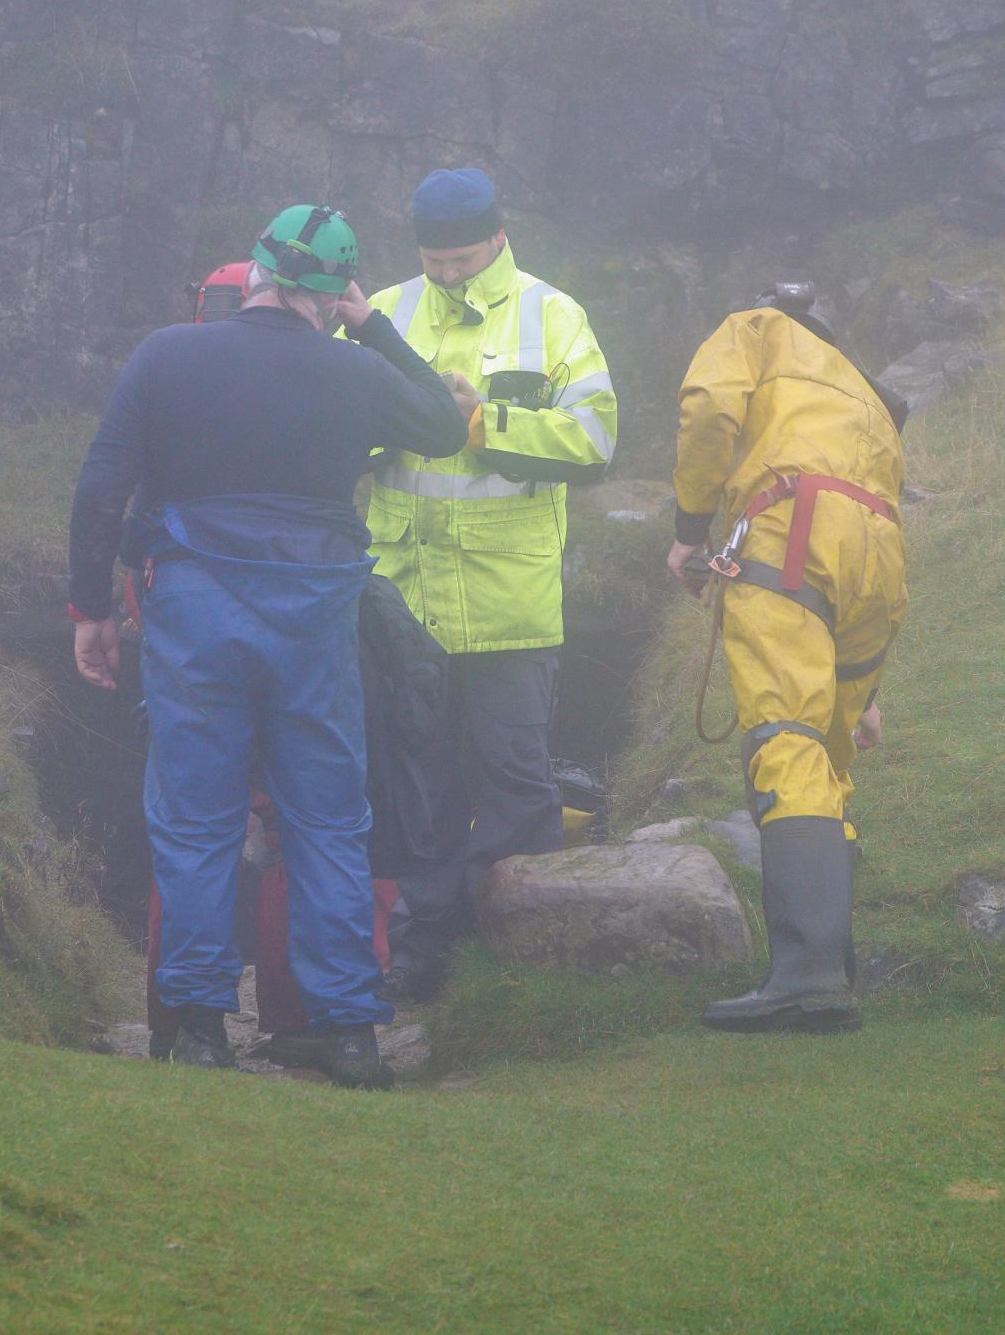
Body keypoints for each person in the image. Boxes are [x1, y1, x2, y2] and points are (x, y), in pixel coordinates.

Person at [67, 205, 469, 1085]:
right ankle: (352, 1033)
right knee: (326, 819)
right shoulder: (352, 371)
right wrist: (373, 326)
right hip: (313, 626)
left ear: (253, 271)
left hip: (195, 618)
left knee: (198, 818)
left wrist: (89, 608)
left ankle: (201, 1026)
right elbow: (443, 422)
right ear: (333, 293)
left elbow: (102, 487)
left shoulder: (168, 355)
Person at [360, 168, 619, 1001]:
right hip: (406, 606)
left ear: (499, 238)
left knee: (516, 783)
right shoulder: (384, 315)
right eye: (433, 261)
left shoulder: (553, 314)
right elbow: (326, 415)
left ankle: (525, 964)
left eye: (462, 258)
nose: (446, 275)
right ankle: (422, 962)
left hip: (510, 608)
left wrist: (479, 421)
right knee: (418, 791)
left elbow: (593, 442)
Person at [665, 284, 909, 1034]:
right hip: (879, 552)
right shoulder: (860, 388)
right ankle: (836, 958)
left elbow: (710, 407)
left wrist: (689, 527)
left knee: (786, 739)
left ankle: (805, 973)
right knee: (828, 749)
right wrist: (865, 692)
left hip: (791, 529)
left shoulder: (756, 329)